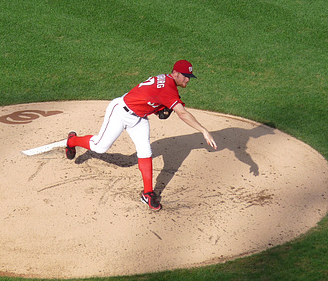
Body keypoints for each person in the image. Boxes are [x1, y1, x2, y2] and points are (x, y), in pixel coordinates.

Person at [65, 60, 217, 211]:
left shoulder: (166, 80)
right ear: (176, 73)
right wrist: (203, 130)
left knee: (145, 151)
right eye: (185, 76)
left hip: (139, 118)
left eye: (189, 76)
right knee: (99, 146)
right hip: (120, 112)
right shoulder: (168, 88)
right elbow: (182, 113)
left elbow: (151, 94)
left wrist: (157, 108)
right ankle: (72, 140)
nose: (188, 79)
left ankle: (147, 193)